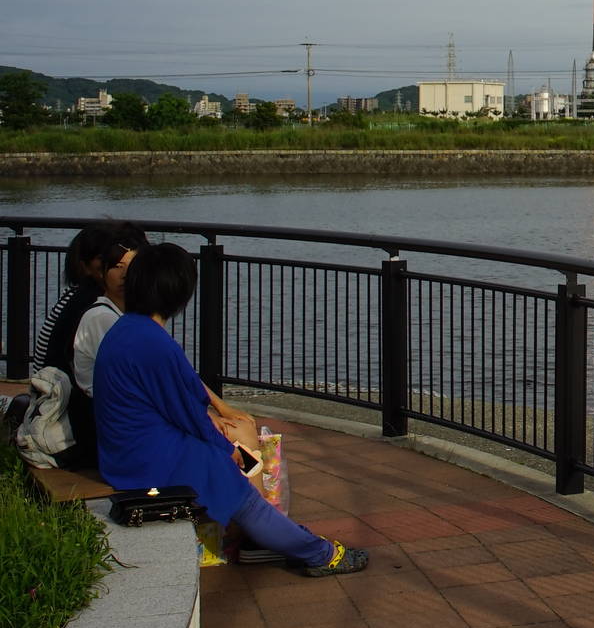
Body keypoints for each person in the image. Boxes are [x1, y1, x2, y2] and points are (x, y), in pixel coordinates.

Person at [94, 243, 368, 577]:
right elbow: (188, 412)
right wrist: (228, 450)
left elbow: (182, 396)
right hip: (147, 459)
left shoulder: (127, 329)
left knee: (230, 468)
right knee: (235, 485)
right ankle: (318, 553)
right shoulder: (152, 342)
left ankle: (288, 542)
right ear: (178, 292)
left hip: (127, 451)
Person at [27, 220, 148, 469]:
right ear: (94, 267)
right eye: (115, 262)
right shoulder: (97, 310)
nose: (124, 271)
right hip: (75, 418)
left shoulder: (82, 297)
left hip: (59, 401)